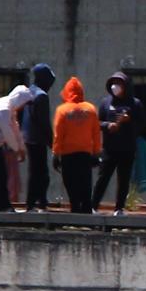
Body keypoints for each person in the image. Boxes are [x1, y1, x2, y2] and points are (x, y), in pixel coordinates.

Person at [93, 71, 146, 216]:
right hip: (109, 148)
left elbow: (142, 125)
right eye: (113, 83)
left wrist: (129, 122)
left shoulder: (135, 104)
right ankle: (93, 206)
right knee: (103, 178)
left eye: (119, 83)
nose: (115, 87)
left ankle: (119, 208)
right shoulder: (106, 103)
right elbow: (97, 122)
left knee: (123, 180)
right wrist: (107, 125)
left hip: (127, 148)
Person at [51, 76, 102, 214]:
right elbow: (96, 133)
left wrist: (56, 154)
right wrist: (97, 152)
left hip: (68, 154)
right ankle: (86, 209)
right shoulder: (90, 109)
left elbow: (58, 134)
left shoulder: (62, 110)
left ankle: (75, 208)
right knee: (85, 183)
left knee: (71, 183)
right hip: (85, 154)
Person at [22, 64, 56, 212]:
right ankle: (35, 203)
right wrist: (51, 141)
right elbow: (43, 122)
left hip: (28, 138)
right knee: (41, 174)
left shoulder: (30, 91)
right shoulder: (41, 95)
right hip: (38, 139)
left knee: (36, 171)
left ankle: (39, 201)